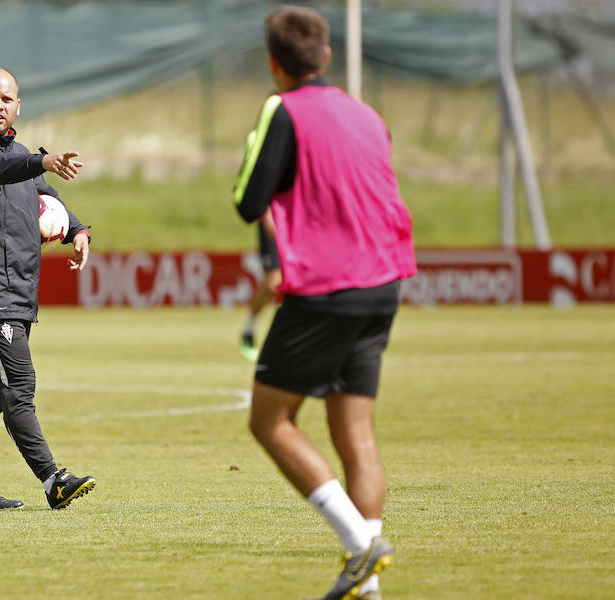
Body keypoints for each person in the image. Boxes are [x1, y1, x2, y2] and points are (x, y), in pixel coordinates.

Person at [232, 8, 416, 600]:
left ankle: (361, 548)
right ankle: (368, 590)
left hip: (327, 287)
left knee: (269, 420)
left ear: (273, 62)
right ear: (328, 57)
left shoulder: (281, 108)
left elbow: (247, 199)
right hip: (383, 282)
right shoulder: (367, 113)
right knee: (355, 434)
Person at [0, 67, 96, 511]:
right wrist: (40, 161)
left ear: (18, 105)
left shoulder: (24, 157)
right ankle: (53, 480)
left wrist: (78, 230)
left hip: (20, 292)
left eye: (6, 99)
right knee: (19, 385)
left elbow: (49, 199)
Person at [239, 214, 281, 362]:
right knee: (272, 283)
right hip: (274, 218)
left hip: (299, 218)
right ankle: (248, 330)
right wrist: (268, 213)